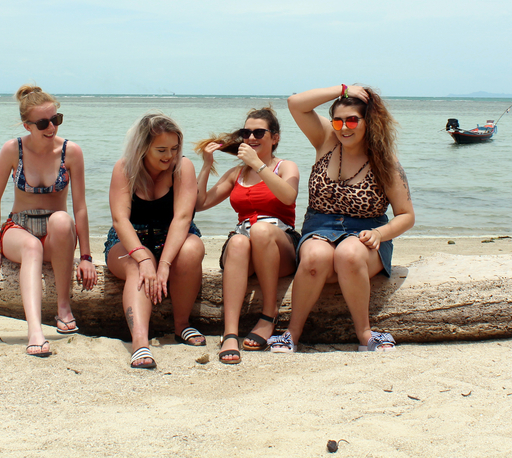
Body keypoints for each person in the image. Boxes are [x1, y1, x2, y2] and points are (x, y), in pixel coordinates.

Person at [269, 84, 414, 354]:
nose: (344, 127)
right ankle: (291, 334)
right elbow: (295, 103)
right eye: (338, 120)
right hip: (320, 228)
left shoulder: (385, 161)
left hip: (367, 234)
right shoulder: (326, 139)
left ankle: (365, 334)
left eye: (352, 120)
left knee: (348, 253)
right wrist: (344, 88)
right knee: (314, 258)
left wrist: (381, 234)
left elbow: (406, 216)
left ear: (368, 121)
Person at [0, 85, 96, 357]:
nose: (51, 127)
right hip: (18, 228)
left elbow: (80, 207)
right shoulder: (12, 149)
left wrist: (87, 257)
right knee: (32, 247)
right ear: (27, 125)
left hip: (56, 234)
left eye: (56, 119)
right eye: (43, 122)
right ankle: (35, 331)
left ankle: (63, 308)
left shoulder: (71, 152)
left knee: (63, 220)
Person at [195, 107, 301, 365]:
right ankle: (229, 332)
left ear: (274, 137)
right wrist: (207, 165)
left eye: (258, 132)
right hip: (246, 247)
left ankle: (268, 315)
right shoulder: (237, 174)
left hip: (280, 244)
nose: (251, 137)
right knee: (239, 240)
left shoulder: (285, 166)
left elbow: (288, 196)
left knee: (262, 229)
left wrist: (258, 164)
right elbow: (199, 203)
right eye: (246, 132)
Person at [105, 112, 206, 369]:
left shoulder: (183, 167)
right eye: (161, 149)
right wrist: (143, 257)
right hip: (129, 237)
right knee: (138, 264)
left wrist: (165, 264)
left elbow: (182, 218)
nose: (169, 156)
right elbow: (120, 220)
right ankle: (140, 343)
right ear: (143, 147)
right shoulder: (125, 168)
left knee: (194, 248)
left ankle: (181, 325)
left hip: (171, 234)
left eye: (174, 148)